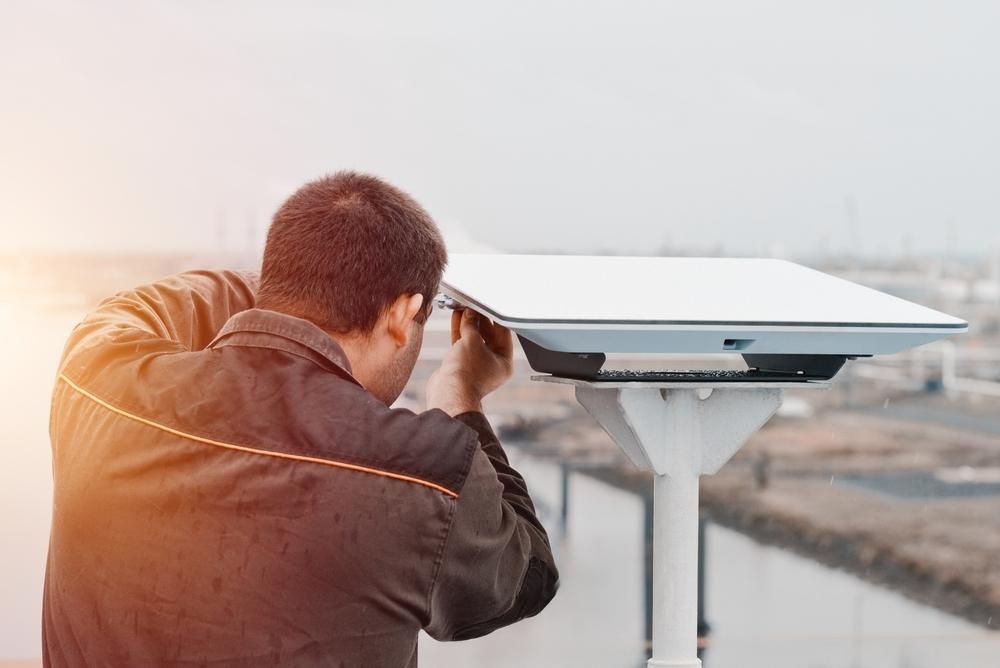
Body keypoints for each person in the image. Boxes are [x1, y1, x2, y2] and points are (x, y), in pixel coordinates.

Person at [43, 171, 559, 666]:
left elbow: (139, 307)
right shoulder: (421, 473)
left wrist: (295, 287)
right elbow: (527, 574)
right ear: (404, 315)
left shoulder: (96, 381)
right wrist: (460, 397)